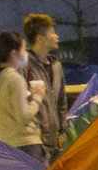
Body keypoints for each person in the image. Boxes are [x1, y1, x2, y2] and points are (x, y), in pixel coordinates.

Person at [0, 31, 47, 162]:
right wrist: (37, 97)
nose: (26, 54)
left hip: (7, 143)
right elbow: (23, 116)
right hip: (26, 145)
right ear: (14, 54)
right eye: (24, 49)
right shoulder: (15, 79)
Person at [20, 12, 66, 153]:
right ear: (40, 39)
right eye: (52, 33)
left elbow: (61, 101)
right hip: (34, 143)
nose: (57, 36)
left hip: (56, 142)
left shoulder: (56, 65)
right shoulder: (24, 66)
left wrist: (63, 130)